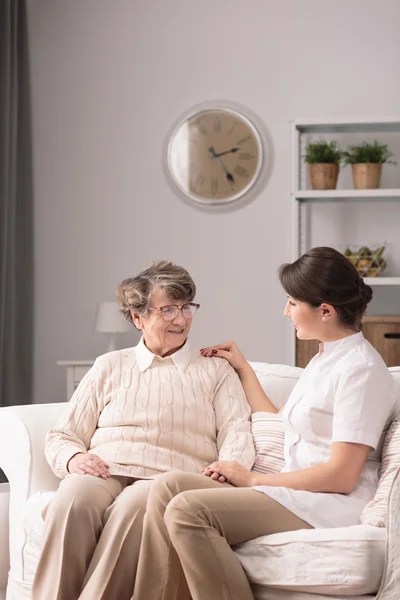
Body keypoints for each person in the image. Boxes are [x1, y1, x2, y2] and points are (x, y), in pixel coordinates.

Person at [132, 247, 400, 600]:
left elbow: (341, 475)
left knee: (187, 510)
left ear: (324, 310)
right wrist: (242, 367)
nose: (285, 311)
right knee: (166, 487)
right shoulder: (325, 358)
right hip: (295, 493)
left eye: (292, 302)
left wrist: (254, 479)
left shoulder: (360, 371)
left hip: (327, 503)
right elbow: (281, 421)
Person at [32, 261, 255, 600]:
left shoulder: (215, 370)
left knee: (133, 507)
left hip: (167, 479)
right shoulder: (110, 365)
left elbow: (237, 431)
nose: (180, 319)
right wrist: (74, 458)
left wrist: (226, 469)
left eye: (186, 308)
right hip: (103, 469)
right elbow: (63, 434)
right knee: (72, 501)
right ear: (138, 318)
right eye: (167, 310)